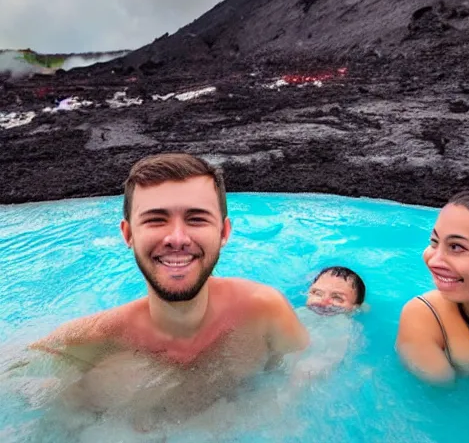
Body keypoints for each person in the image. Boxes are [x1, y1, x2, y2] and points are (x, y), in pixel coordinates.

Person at [30, 152, 309, 428]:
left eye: (197, 219)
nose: (177, 238)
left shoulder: (264, 311)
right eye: (156, 219)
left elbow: (303, 378)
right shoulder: (85, 343)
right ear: (128, 234)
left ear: (224, 233)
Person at [396, 187, 469, 384]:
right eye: (434, 242)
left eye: (456, 247)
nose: (433, 260)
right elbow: (449, 400)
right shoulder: (424, 318)